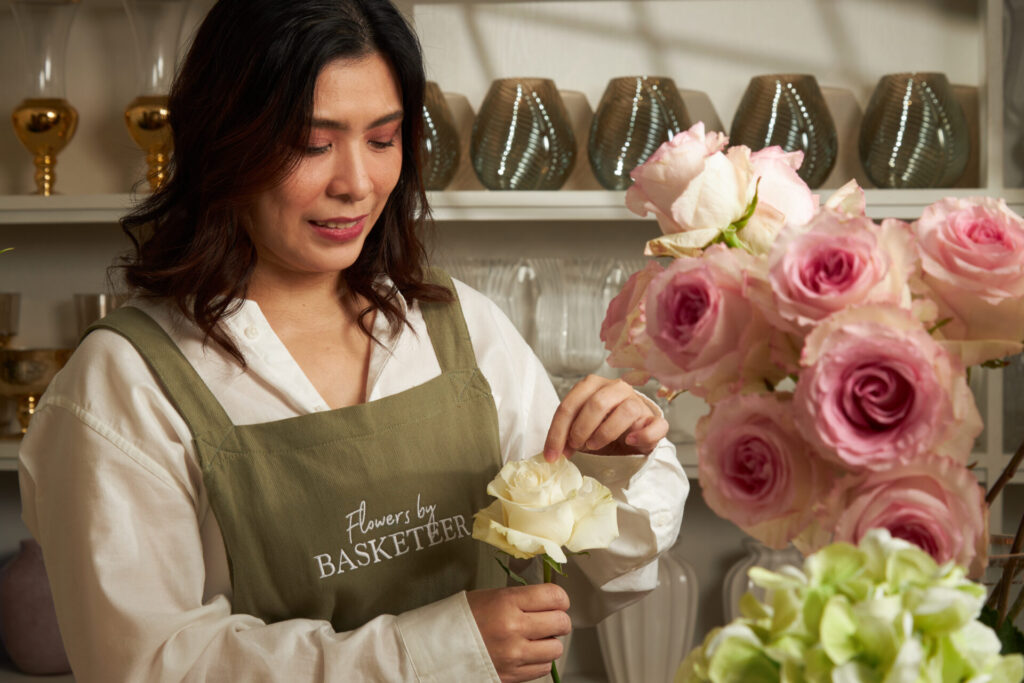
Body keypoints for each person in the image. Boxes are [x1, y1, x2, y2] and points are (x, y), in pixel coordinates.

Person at [17, 0, 689, 680]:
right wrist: (436, 649)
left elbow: (584, 584)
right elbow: (149, 663)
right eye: (313, 144)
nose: (357, 184)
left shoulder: (458, 325)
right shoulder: (125, 382)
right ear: (226, 140)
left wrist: (609, 468)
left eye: (382, 139)